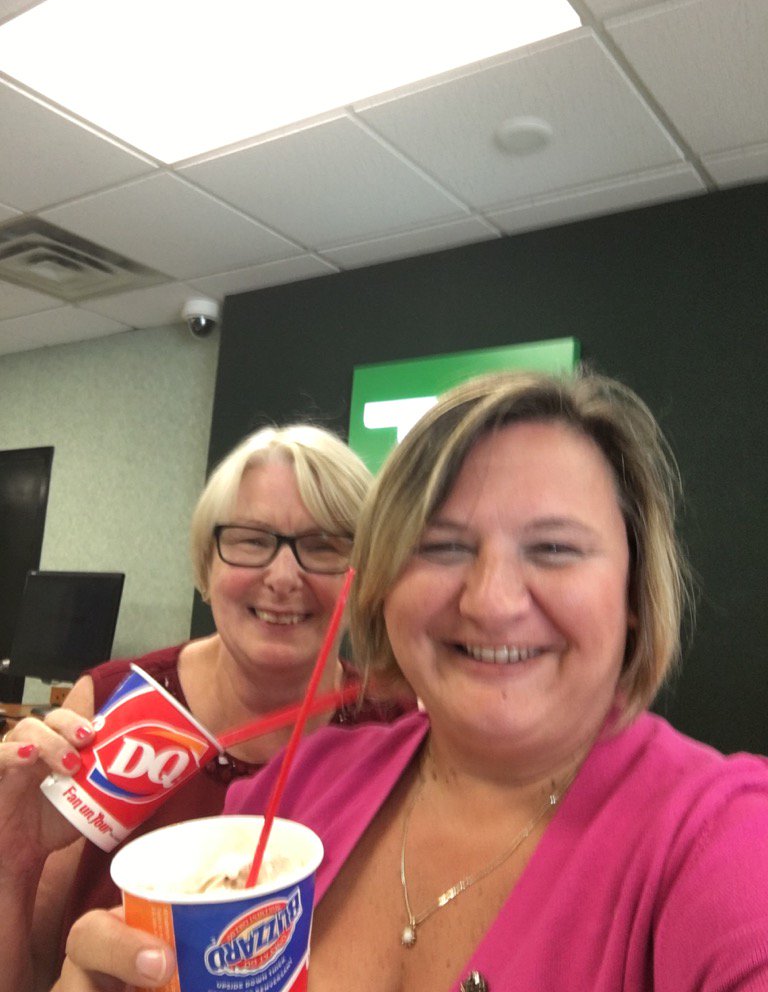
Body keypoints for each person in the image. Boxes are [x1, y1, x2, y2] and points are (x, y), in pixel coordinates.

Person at [53, 370, 768, 992]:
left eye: (553, 548)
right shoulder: (305, 780)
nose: (491, 600)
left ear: (635, 596)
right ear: (387, 585)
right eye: (443, 546)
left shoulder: (718, 838)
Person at [0, 423, 410, 992]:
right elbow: (32, 973)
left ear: (361, 574)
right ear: (205, 564)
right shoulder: (119, 705)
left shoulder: (401, 729)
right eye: (250, 539)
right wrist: (9, 862)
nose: (284, 576)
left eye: (324, 545)